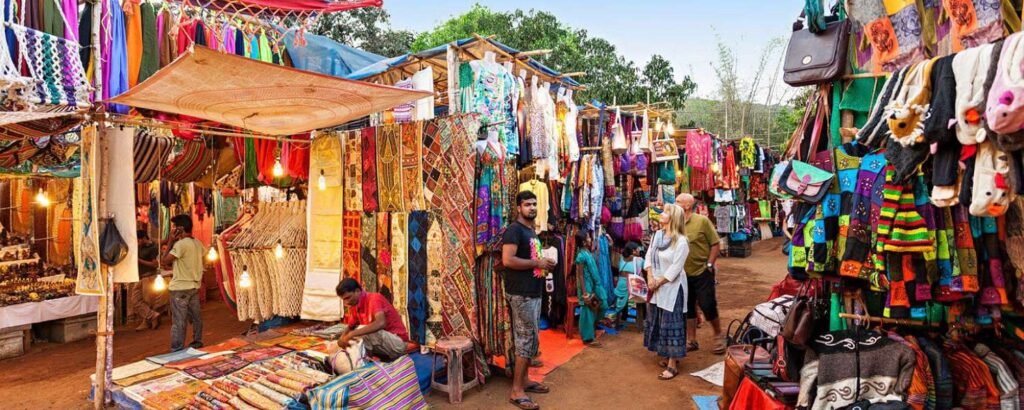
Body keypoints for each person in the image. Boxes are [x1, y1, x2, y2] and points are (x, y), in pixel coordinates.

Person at [502, 191, 556, 410]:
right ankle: (516, 391)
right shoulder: (514, 230)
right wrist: (537, 263)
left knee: (531, 339)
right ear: (518, 207)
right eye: (527, 204)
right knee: (525, 341)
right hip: (521, 293)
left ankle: (523, 381)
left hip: (532, 292)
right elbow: (508, 260)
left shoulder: (530, 230)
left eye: (534, 204)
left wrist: (542, 264)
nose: (532, 208)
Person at [643, 204, 690, 380]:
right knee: (659, 319)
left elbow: (676, 269)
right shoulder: (657, 235)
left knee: (672, 323)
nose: (661, 214)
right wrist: (650, 277)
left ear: (672, 218)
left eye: (665, 212)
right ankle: (666, 355)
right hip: (656, 284)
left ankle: (672, 364)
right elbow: (649, 256)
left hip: (672, 287)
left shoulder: (682, 241)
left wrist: (658, 282)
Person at [676, 193, 725, 354]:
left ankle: (718, 335)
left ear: (687, 205)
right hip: (683, 273)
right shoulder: (676, 223)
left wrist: (710, 263)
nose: (674, 204)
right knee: (688, 306)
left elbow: (715, 244)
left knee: (707, 304)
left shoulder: (702, 221)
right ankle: (691, 340)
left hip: (702, 271)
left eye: (677, 202)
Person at [335, 278, 411, 362]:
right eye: (343, 299)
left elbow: (381, 323)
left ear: (357, 291)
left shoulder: (374, 298)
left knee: (364, 331)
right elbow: (350, 326)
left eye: (348, 298)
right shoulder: (355, 306)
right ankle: (364, 359)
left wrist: (351, 335)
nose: (346, 303)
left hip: (398, 345)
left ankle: (365, 361)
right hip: (385, 346)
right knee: (352, 334)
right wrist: (342, 338)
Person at [161, 214, 205, 351]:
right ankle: (197, 341)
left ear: (180, 229)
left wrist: (170, 242)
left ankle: (177, 349)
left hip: (180, 288)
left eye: (174, 227)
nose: (172, 230)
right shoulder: (197, 243)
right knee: (196, 317)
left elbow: (164, 260)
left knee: (179, 321)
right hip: (193, 286)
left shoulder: (180, 245)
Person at [574, 232, 608, 346]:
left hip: (595, 284)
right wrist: (584, 293)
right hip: (586, 287)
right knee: (587, 311)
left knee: (602, 305)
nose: (590, 239)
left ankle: (591, 329)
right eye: (588, 237)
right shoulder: (580, 256)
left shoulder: (588, 252)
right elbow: (580, 275)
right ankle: (588, 338)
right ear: (584, 242)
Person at [131, 230, 161, 331]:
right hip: (140, 277)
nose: (138, 242)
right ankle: (152, 315)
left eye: (139, 240)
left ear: (144, 238)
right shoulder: (138, 248)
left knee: (148, 301)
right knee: (135, 300)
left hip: (149, 277)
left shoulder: (152, 248)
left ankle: (147, 321)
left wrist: (139, 261)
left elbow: (155, 264)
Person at [612, 242, 643, 323]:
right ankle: (641, 321)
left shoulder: (621, 258)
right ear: (633, 251)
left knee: (620, 301)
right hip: (633, 285)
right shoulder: (639, 260)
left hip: (621, 283)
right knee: (642, 300)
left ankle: (618, 319)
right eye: (638, 249)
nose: (639, 250)